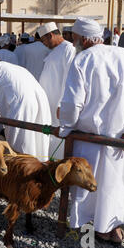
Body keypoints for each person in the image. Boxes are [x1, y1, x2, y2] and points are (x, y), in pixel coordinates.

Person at [59, 17, 124, 244]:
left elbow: (72, 105)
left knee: (91, 187)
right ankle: (111, 228)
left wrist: (66, 125)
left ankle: (96, 229)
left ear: (82, 39)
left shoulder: (82, 60)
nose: (73, 43)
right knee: (114, 186)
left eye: (75, 39)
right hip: (121, 140)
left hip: (89, 139)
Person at [37, 22, 76, 159]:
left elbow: (70, 79)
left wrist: (62, 103)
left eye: (44, 40)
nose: (44, 44)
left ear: (50, 35)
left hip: (58, 105)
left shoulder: (69, 49)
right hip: (49, 103)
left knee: (59, 137)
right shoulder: (55, 51)